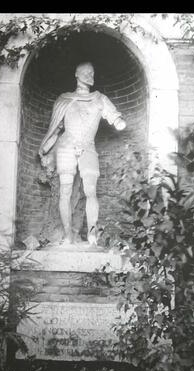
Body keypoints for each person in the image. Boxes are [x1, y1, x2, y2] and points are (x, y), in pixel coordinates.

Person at [39, 62, 126, 245]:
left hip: (88, 147)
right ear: (76, 74)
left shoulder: (100, 98)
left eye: (92, 72)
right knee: (65, 191)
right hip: (66, 147)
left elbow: (115, 117)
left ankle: (92, 236)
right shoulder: (64, 99)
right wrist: (46, 148)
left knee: (91, 191)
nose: (89, 75)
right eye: (85, 72)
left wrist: (117, 121)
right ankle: (67, 235)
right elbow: (56, 128)